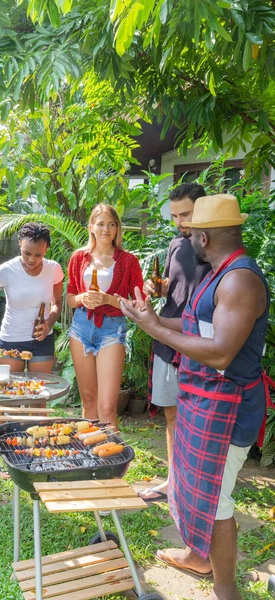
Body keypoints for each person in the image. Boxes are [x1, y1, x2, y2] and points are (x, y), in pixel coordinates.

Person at [120, 194, 273, 600]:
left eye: (188, 231)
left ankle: (226, 590)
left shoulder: (239, 279)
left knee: (217, 499)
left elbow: (221, 350)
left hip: (228, 406)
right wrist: (153, 319)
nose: (183, 236)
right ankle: (195, 554)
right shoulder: (218, 271)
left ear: (202, 237)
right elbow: (198, 324)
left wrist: (155, 332)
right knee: (191, 486)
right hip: (202, 400)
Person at [140, 182, 211, 503]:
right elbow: (171, 287)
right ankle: (173, 480)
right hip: (167, 336)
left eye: (186, 214)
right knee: (171, 412)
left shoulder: (215, 248)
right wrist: (157, 288)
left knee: (199, 417)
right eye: (174, 216)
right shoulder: (175, 244)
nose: (179, 221)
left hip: (199, 341)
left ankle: (198, 484)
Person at [67, 203, 144, 431]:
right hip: (80, 328)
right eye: (100, 224)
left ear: (118, 228)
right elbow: (70, 298)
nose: (106, 229)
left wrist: (108, 300)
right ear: (91, 226)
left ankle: (112, 464)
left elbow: (136, 304)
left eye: (111, 224)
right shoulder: (78, 258)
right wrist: (82, 298)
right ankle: (89, 461)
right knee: (88, 402)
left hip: (112, 330)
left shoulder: (129, 261)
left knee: (108, 407)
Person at [0, 222, 63, 374]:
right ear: (20, 243)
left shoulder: (54, 269)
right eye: (26, 253)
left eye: (38, 255)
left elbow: (57, 303)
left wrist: (48, 324)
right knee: (9, 394)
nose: (32, 260)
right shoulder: (6, 270)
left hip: (42, 341)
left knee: (40, 393)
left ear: (46, 249)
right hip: (11, 340)